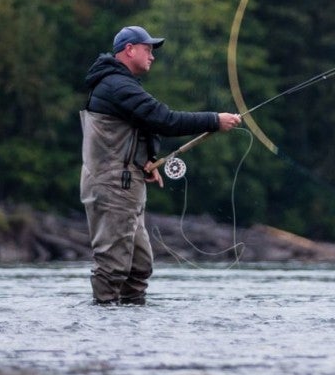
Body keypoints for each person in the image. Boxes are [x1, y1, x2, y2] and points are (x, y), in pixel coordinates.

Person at [80, 25, 240, 305]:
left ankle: (131, 325)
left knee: (138, 266)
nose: (152, 56)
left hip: (126, 181)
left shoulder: (119, 84)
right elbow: (163, 120)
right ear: (129, 50)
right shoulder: (116, 85)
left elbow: (135, 127)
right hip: (113, 184)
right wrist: (214, 120)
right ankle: (102, 330)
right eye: (147, 49)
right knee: (113, 266)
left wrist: (147, 160)